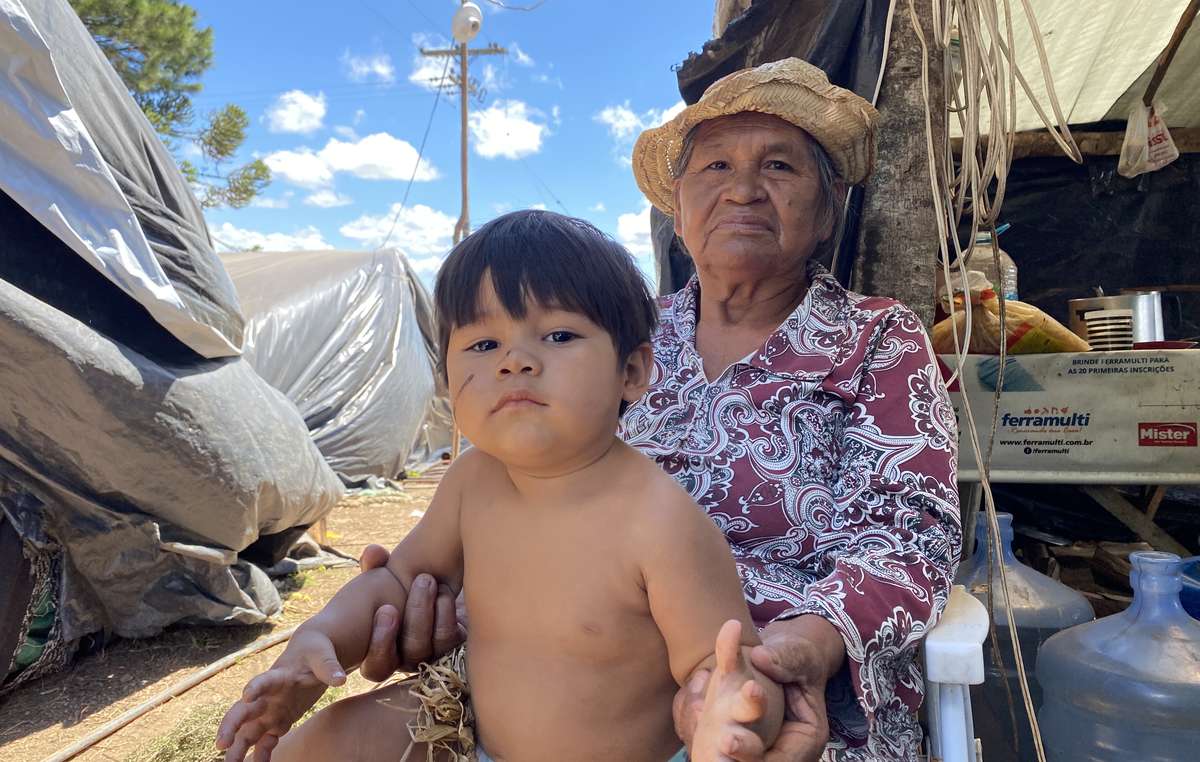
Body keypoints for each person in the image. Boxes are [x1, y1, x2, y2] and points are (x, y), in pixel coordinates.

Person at [353, 59, 961, 761]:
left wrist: (801, 647)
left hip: (774, 686)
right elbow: (518, 477)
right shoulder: (613, 333)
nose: (742, 189)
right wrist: (446, 595)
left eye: (779, 167)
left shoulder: (876, 339)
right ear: (678, 211)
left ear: (827, 214)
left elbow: (914, 539)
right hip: (561, 670)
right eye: (715, 166)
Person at [216, 210, 785, 762]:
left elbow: (724, 664)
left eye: (558, 335)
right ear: (447, 376)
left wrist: (730, 712)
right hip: (472, 735)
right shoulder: (472, 479)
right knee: (319, 743)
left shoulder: (659, 520)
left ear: (632, 372)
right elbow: (398, 579)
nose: (515, 361)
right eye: (484, 345)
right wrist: (321, 640)